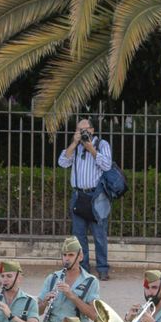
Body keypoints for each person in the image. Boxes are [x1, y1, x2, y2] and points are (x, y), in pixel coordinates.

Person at [57, 116, 114, 279]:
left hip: (96, 196)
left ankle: (102, 269)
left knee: (99, 234)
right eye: (79, 130)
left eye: (85, 130)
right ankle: (83, 269)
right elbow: (62, 162)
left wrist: (91, 149)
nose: (82, 132)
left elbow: (107, 165)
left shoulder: (102, 144)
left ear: (92, 131)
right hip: (78, 195)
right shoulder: (75, 147)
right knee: (79, 235)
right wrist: (74, 143)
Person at [35, 237, 101, 322]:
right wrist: (45, 302)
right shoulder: (53, 278)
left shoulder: (91, 281)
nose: (66, 259)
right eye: (64, 255)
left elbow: (94, 315)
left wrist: (72, 296)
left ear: (80, 256)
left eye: (71, 255)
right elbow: (37, 311)